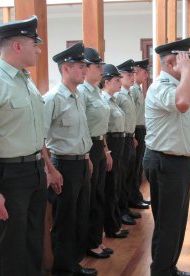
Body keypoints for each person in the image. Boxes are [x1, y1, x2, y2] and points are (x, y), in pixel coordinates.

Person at [0, 16, 62, 276]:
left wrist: (49, 168)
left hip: (34, 170)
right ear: (17, 46)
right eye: (34, 43)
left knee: (32, 242)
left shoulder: (26, 80)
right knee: (11, 250)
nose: (38, 49)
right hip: (8, 175)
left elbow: (34, 131)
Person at [143, 37, 190, 276]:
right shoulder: (160, 87)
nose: (189, 66)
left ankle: (170, 268)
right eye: (184, 61)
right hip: (165, 163)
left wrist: (184, 73)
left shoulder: (176, 84)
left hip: (179, 163)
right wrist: (186, 73)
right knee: (168, 224)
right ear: (170, 62)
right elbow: (183, 103)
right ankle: (160, 274)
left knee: (178, 222)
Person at [44, 42, 97, 276]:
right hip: (62, 165)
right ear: (66, 68)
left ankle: (74, 264)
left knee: (79, 217)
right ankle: (63, 270)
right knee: (64, 220)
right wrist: (50, 170)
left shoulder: (77, 96)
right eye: (80, 66)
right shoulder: (53, 98)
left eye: (85, 67)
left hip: (80, 163)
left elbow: (81, 134)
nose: (85, 70)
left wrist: (87, 158)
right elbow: (40, 139)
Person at [78, 47, 113, 259]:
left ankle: (96, 240)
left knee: (99, 195)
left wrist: (107, 150)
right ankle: (90, 244)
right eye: (97, 66)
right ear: (87, 68)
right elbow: (81, 125)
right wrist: (87, 154)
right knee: (89, 198)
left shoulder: (97, 91)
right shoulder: (82, 92)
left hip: (99, 145)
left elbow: (102, 125)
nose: (101, 70)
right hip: (88, 147)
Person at [115, 59, 146, 227]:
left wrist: (132, 135)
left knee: (131, 172)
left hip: (130, 135)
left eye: (133, 74)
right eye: (128, 74)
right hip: (121, 137)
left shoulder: (128, 93)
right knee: (123, 176)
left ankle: (127, 205)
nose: (132, 77)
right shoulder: (119, 95)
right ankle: (122, 209)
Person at [100, 64, 130, 239]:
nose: (120, 82)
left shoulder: (114, 100)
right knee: (111, 186)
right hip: (111, 142)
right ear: (107, 82)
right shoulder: (104, 100)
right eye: (116, 80)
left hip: (120, 141)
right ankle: (111, 226)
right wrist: (107, 150)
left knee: (117, 183)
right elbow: (103, 129)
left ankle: (115, 221)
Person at [130, 59, 151, 207]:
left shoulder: (137, 89)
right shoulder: (132, 90)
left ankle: (136, 196)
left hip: (140, 129)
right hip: (135, 130)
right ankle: (133, 198)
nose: (147, 75)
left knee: (138, 167)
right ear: (136, 72)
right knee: (134, 167)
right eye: (144, 72)